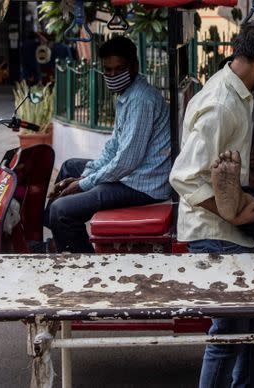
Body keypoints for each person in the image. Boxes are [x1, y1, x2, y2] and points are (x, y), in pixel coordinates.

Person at [169, 20, 254, 388]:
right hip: (215, 232)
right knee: (229, 329)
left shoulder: (238, 94)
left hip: (231, 228)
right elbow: (185, 176)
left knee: (250, 322)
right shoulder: (222, 103)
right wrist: (231, 211)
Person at [47, 36, 171, 253]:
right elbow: (113, 146)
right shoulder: (127, 95)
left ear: (134, 66)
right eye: (108, 70)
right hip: (133, 175)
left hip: (144, 185)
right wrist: (85, 176)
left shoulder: (141, 101)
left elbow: (126, 161)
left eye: (119, 69)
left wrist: (83, 184)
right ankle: (57, 237)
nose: (113, 75)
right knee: (69, 167)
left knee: (61, 210)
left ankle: (84, 266)